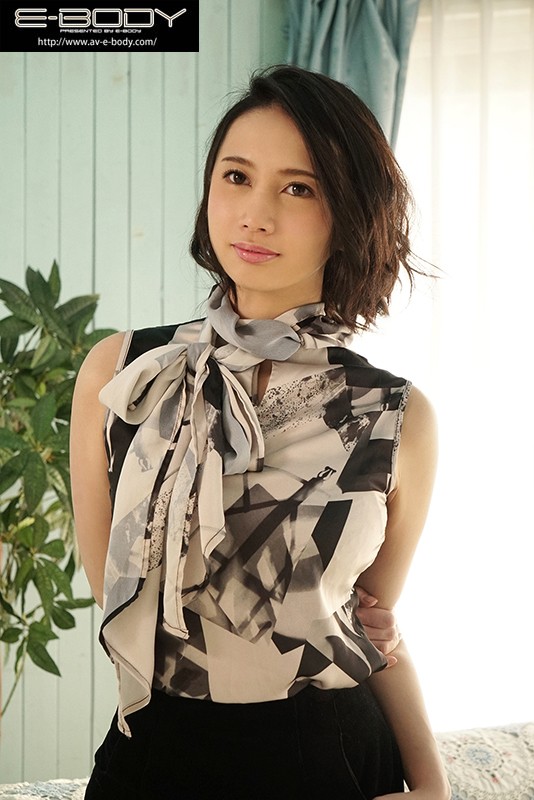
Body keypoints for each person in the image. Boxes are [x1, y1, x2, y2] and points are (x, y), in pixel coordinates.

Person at [71, 65, 449, 800]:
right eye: (237, 177)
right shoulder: (122, 375)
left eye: (298, 188)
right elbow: (113, 595)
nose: (255, 214)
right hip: (153, 753)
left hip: (332, 757)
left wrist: (433, 785)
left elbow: (370, 627)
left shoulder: (396, 415)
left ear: (351, 212)